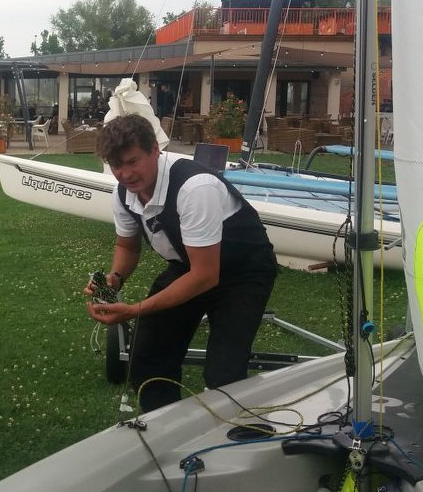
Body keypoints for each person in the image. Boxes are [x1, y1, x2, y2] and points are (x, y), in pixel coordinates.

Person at [85, 114, 278, 413]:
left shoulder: (194, 188)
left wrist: (135, 309)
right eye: (116, 165)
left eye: (132, 161)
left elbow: (205, 276)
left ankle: (234, 430)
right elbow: (127, 245)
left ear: (155, 150)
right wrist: (115, 278)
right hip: (191, 265)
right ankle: (165, 428)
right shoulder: (123, 194)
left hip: (243, 270)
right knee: (147, 354)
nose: (125, 174)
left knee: (224, 373)